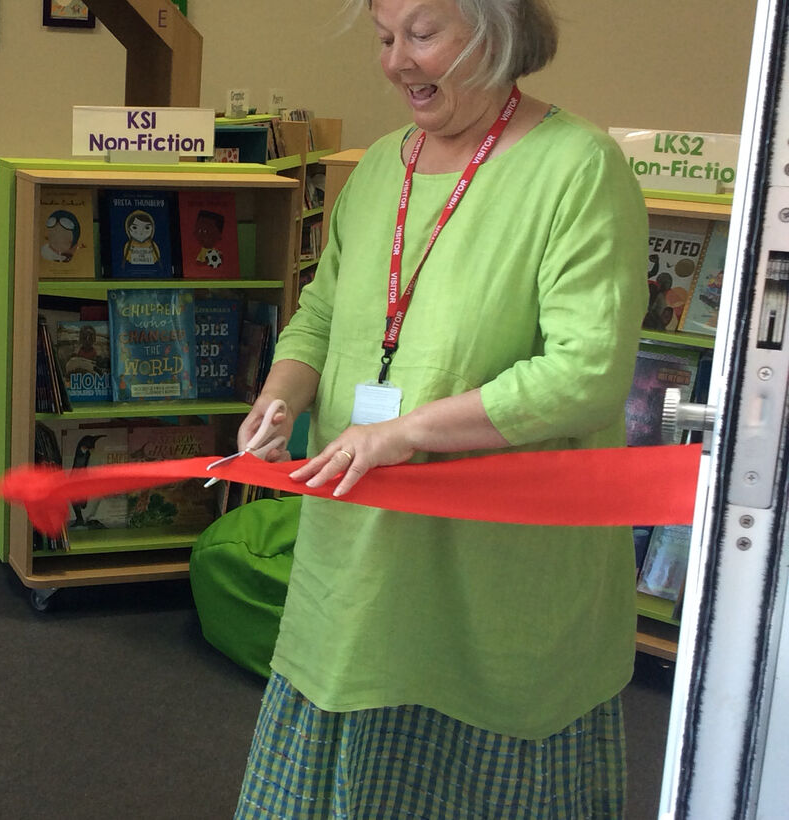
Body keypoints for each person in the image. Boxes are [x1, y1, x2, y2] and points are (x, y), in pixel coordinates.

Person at [232, 0, 647, 817]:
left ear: (498, 34)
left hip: (496, 582)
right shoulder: (382, 163)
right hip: (360, 564)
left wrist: (406, 432)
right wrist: (282, 394)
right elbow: (321, 312)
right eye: (385, 39)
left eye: (421, 35)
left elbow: (586, 375)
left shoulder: (578, 168)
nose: (394, 63)